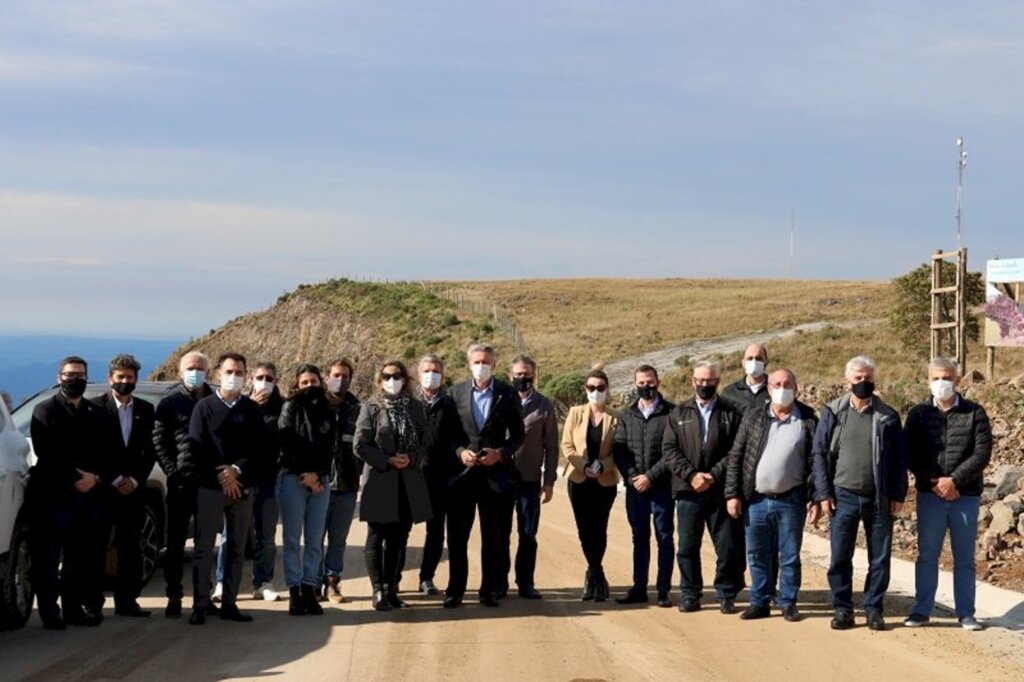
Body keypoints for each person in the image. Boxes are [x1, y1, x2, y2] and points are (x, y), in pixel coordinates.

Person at [812, 355, 907, 632]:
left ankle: (874, 609)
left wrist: (898, 494)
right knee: (840, 557)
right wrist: (823, 493)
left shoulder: (887, 416)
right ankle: (842, 610)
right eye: (858, 378)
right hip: (843, 497)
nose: (863, 383)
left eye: (867, 378)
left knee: (879, 558)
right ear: (847, 381)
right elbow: (819, 453)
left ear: (874, 380)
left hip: (880, 498)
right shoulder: (833, 411)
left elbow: (901, 458)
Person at [904, 357, 991, 631]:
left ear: (958, 380)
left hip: (964, 497)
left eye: (947, 377)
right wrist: (935, 482)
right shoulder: (918, 414)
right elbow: (911, 453)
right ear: (928, 380)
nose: (942, 383)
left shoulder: (975, 413)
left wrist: (954, 481)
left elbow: (982, 453)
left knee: (964, 558)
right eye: (936, 378)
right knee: (927, 555)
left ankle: (966, 613)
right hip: (930, 497)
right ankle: (921, 610)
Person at [725, 368, 818, 622]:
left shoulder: (808, 419)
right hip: (756, 499)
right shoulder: (754, 417)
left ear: (796, 388)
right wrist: (732, 494)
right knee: (757, 554)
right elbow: (736, 456)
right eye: (777, 384)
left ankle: (788, 602)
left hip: (791, 499)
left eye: (787, 384)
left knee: (789, 554)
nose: (782, 389)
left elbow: (817, 461)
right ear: (768, 388)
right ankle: (760, 601)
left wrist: (817, 497)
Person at [186, 352, 271, 625]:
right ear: (218, 374)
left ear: (246, 376)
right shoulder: (204, 407)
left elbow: (258, 448)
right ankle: (200, 604)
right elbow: (197, 445)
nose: (234, 377)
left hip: (242, 488)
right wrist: (224, 473)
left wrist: (236, 471)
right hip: (210, 488)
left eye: (239, 373)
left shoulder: (252, 410)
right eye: (229, 372)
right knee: (204, 547)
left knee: (235, 547)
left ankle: (230, 604)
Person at [28, 356, 107, 630]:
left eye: (81, 374)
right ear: (59, 376)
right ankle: (50, 613)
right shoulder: (44, 410)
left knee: (78, 559)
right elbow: (46, 452)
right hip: (52, 497)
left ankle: (73, 610)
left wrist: (95, 478)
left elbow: (104, 453)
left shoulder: (95, 413)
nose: (76, 379)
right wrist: (78, 478)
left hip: (87, 498)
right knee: (48, 559)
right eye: (70, 374)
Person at [445, 343, 525, 608]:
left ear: (494, 364)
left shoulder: (507, 393)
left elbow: (518, 434)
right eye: (477, 361)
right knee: (457, 536)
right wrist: (459, 452)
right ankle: (455, 589)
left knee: (493, 537)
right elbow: (451, 432)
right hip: (462, 476)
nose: (482, 366)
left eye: (486, 362)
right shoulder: (455, 393)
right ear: (469, 364)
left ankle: (488, 589)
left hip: (495, 476)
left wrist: (501, 453)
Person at [662, 360, 744, 614]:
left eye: (710, 381)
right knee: (687, 546)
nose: (704, 385)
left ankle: (726, 593)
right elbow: (669, 450)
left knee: (726, 546)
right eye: (700, 380)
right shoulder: (678, 413)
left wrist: (713, 475)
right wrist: (692, 475)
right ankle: (690, 593)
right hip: (688, 491)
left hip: (719, 491)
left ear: (718, 382)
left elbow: (736, 450)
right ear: (692, 381)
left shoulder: (732, 412)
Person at [354, 360, 433, 611]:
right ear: (380, 380)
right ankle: (378, 590)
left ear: (405, 379)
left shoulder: (416, 408)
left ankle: (391, 588)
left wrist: (412, 458)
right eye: (387, 376)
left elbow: (426, 441)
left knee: (399, 538)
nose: (392, 380)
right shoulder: (371, 408)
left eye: (397, 375)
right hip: (380, 480)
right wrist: (387, 460)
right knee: (376, 536)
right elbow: (360, 444)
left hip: (408, 481)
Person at [92, 353, 156, 618]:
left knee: (131, 547)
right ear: (110, 379)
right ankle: (93, 604)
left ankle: (127, 601)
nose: (125, 382)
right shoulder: (95, 409)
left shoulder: (145, 410)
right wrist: (116, 479)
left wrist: (135, 479)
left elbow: (149, 450)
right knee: (98, 547)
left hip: (133, 491)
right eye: (120, 377)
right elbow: (94, 451)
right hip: (105, 491)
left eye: (130, 378)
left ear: (136, 380)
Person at [213, 361, 283, 604]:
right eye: (260, 377)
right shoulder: (239, 406)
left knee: (266, 537)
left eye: (270, 378)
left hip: (269, 481)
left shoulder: (282, 409)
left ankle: (263, 582)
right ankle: (223, 583)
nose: (265, 382)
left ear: (276, 382)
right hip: (240, 480)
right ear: (252, 378)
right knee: (229, 536)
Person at [153, 350, 212, 618]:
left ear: (208, 372)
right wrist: (172, 471)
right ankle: (174, 596)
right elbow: (159, 440)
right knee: (175, 546)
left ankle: (203, 597)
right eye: (190, 367)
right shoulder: (170, 403)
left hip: (209, 485)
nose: (195, 372)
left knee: (205, 545)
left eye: (200, 368)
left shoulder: (216, 401)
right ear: (180, 372)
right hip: (180, 485)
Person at [613, 364, 676, 607]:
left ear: (657, 382)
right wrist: (632, 477)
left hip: (661, 488)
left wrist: (650, 476)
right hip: (635, 490)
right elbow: (619, 449)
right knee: (639, 539)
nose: (645, 387)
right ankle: (639, 587)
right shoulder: (627, 415)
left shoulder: (672, 413)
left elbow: (672, 451)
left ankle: (663, 590)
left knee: (665, 538)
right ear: (635, 383)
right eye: (641, 383)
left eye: (649, 382)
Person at [277, 364, 333, 616]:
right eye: (304, 383)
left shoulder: (328, 410)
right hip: (293, 479)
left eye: (313, 381)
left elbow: (330, 447)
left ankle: (310, 588)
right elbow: (286, 443)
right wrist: (305, 475)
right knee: (291, 539)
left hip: (321, 481)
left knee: (314, 540)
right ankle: (294, 591)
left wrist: (319, 477)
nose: (310, 386)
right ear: (296, 385)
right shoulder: (290, 407)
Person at [562, 367, 619, 602]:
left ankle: (593, 574)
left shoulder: (616, 418)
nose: (596, 392)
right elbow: (567, 446)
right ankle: (595, 572)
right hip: (579, 479)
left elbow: (620, 451)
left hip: (605, 482)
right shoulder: (575, 413)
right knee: (584, 529)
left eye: (600, 388)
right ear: (585, 389)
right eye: (591, 388)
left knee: (600, 527)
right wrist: (584, 466)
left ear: (607, 390)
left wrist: (603, 466)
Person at [507, 354, 559, 599]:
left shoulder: (544, 405)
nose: (522, 378)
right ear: (510, 376)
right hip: (501, 479)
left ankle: (525, 582)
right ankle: (498, 581)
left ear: (534, 375)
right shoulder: (501, 401)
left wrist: (549, 481)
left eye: (527, 374)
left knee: (528, 534)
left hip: (530, 481)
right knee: (499, 533)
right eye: (518, 374)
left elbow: (551, 447)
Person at [415, 353, 461, 596]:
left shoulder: (449, 403)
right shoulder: (408, 402)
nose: (431, 375)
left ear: (442, 377)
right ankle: (391, 580)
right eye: (427, 371)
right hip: (411, 476)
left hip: (440, 478)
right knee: (399, 531)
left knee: (435, 532)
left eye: (436, 371)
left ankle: (426, 577)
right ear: (418, 374)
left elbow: (456, 437)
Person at [320, 358, 361, 603]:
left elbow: (363, 445)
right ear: (326, 377)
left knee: (338, 539)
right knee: (315, 539)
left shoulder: (357, 408)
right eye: (336, 375)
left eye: (345, 376)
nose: (341, 380)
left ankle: (332, 583)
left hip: (346, 485)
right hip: (319, 484)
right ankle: (312, 584)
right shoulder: (315, 406)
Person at [721, 344, 770, 415]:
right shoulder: (730, 393)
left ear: (766, 363)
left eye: (758, 358)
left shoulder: (775, 389)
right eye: (750, 358)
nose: (754, 362)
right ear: (743, 363)